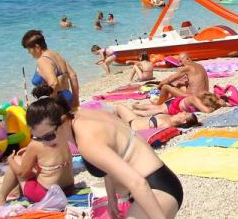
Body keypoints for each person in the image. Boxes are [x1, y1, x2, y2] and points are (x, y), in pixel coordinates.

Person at [25, 86, 183, 218]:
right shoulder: (81, 115)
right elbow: (110, 154)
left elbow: (138, 183)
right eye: (38, 138)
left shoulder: (87, 141)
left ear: (63, 120)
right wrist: (111, 197)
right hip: (150, 187)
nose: (45, 144)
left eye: (49, 136)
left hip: (155, 190)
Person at [0, 90, 74, 206]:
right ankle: (15, 191)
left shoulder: (35, 145)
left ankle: (1, 196)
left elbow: (22, 173)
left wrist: (10, 160)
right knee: (34, 166)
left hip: (45, 194)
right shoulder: (62, 133)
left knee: (16, 160)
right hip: (68, 189)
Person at [22, 30, 79, 109]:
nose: (29, 52)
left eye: (29, 49)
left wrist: (50, 106)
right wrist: (76, 100)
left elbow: (53, 83)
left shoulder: (42, 60)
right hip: (67, 97)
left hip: (57, 103)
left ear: (37, 47)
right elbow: (73, 75)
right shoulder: (55, 54)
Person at [129, 92, 227, 118]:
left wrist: (220, 103)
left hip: (174, 104)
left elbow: (216, 99)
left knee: (157, 107)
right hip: (173, 107)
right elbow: (207, 110)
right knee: (155, 111)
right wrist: (217, 107)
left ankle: (137, 106)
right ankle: (134, 111)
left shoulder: (204, 97)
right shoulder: (194, 99)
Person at [115, 104, 200, 130]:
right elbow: (147, 114)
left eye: (185, 114)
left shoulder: (167, 125)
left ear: (184, 121)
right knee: (119, 106)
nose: (183, 112)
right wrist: (134, 111)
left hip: (130, 127)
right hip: (135, 118)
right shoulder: (168, 116)